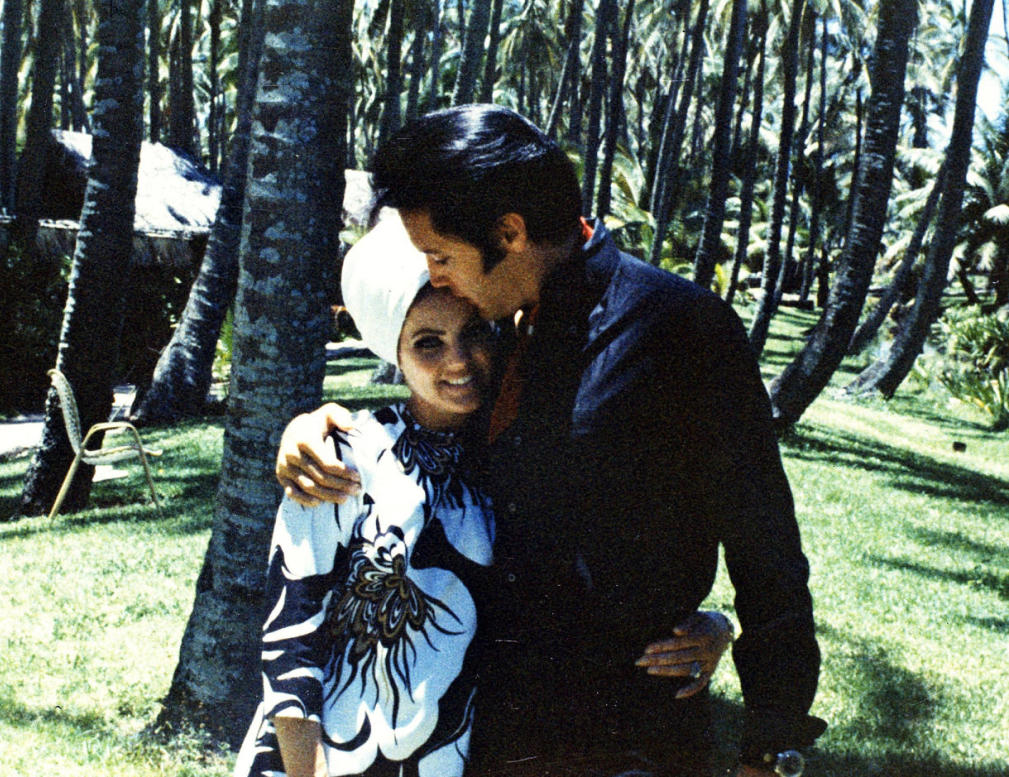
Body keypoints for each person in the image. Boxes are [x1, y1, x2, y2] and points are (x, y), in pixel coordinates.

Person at [276, 105, 826, 777]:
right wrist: (318, 427)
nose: (435, 277)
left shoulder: (680, 328)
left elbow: (765, 548)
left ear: (508, 232)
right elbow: (431, 448)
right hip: (486, 734)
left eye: (440, 257)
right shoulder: (498, 338)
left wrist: (768, 747)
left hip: (627, 735)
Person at [237, 211, 734, 777]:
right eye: (427, 342)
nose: (457, 360)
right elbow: (290, 641)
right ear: (392, 353)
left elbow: (589, 577)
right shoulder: (341, 456)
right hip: (333, 759)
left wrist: (712, 626)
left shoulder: (516, 454)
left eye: (473, 332)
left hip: (466, 757)